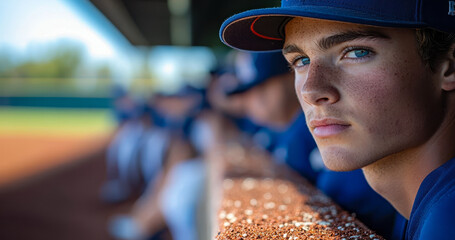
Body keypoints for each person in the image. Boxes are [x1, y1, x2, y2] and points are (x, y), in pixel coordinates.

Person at [219, 1, 455, 239]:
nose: (311, 91)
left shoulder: (447, 220)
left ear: (450, 66)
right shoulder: (428, 207)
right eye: (301, 60)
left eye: (356, 52)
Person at [227, 50, 397, 238]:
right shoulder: (276, 133)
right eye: (248, 92)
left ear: (289, 76)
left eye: (263, 87)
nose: (255, 99)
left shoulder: (326, 129)